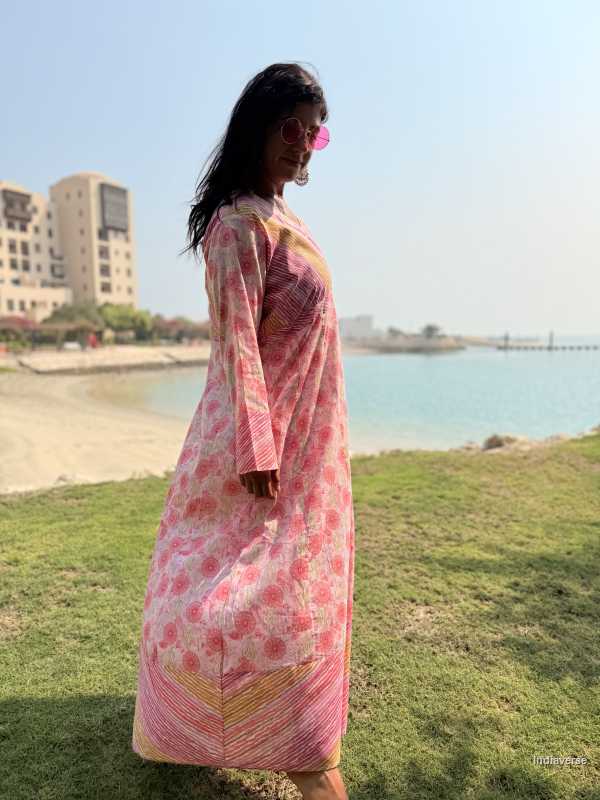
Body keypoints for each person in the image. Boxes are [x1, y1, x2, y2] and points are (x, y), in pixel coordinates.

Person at [131, 62, 354, 800]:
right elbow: (236, 344)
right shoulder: (236, 224)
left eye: (311, 131)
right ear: (256, 127)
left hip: (308, 441)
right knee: (230, 584)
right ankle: (258, 734)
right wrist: (256, 447)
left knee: (292, 589)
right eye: (288, 126)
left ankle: (290, 724)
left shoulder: (284, 218)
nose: (300, 142)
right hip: (264, 442)